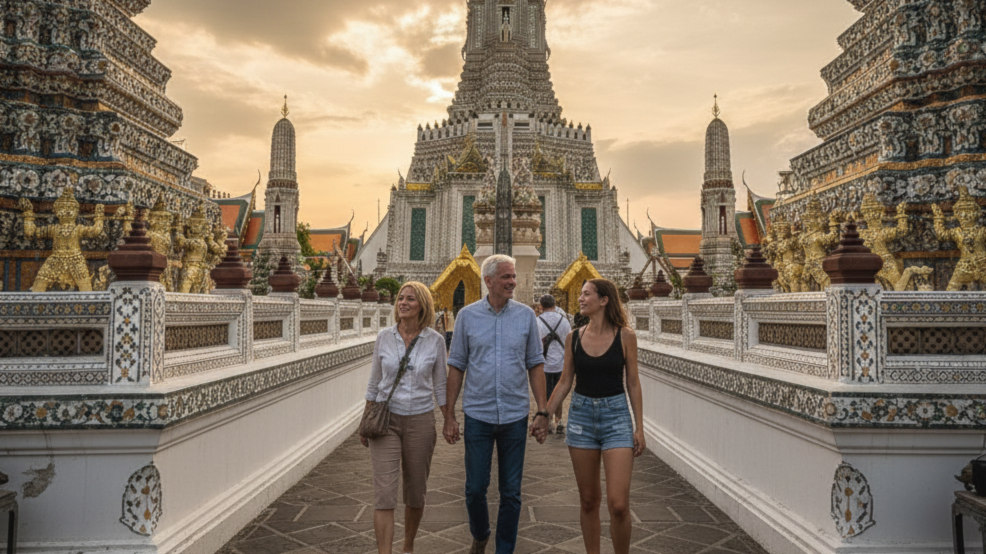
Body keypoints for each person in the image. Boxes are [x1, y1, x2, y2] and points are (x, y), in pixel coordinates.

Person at [444, 254, 549, 554]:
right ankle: (480, 532)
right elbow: (457, 365)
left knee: (511, 493)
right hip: (478, 413)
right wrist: (449, 414)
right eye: (506, 277)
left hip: (515, 414)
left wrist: (541, 411)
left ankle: (505, 549)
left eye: (513, 276)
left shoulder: (526, 316)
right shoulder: (467, 316)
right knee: (475, 488)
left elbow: (535, 364)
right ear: (488, 280)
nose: (513, 282)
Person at [544, 278, 645, 554]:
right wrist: (544, 414)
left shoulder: (626, 336)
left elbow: (633, 383)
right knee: (589, 500)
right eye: (581, 294)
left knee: (619, 503)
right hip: (581, 418)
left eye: (586, 294)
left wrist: (639, 427)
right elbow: (565, 381)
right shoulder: (573, 338)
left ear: (604, 300)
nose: (580, 298)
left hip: (616, 418)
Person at [361, 281, 449, 554]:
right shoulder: (384, 337)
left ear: (422, 305)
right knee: (384, 493)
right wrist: (366, 420)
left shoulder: (435, 341)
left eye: (410, 299)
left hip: (421, 420)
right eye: (401, 298)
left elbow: (440, 386)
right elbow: (375, 383)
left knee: (415, 491)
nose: (403, 303)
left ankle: (408, 546)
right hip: (386, 421)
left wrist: (449, 419)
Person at [536, 294, 572, 434]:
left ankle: (548, 421)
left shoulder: (537, 321)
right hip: (562, 363)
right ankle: (559, 420)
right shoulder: (564, 321)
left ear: (541, 306)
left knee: (545, 394)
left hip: (543, 364)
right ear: (555, 305)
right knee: (559, 393)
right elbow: (569, 340)